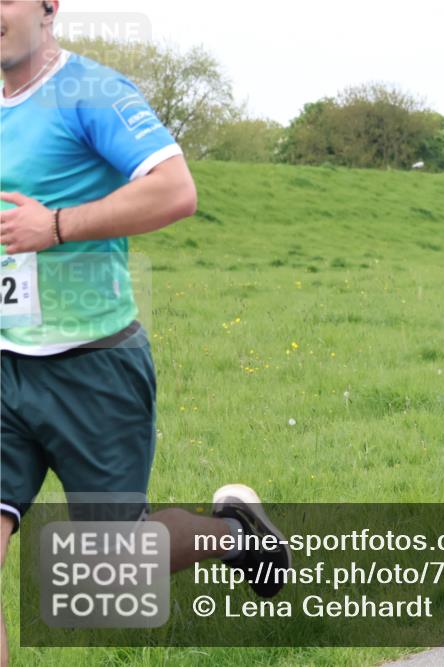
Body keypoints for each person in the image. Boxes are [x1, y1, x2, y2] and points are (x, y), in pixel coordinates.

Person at [0, 3, 288, 663]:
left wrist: (57, 226)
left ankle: (236, 534)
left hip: (90, 366)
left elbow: (175, 190)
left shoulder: (90, 91)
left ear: (49, 6)